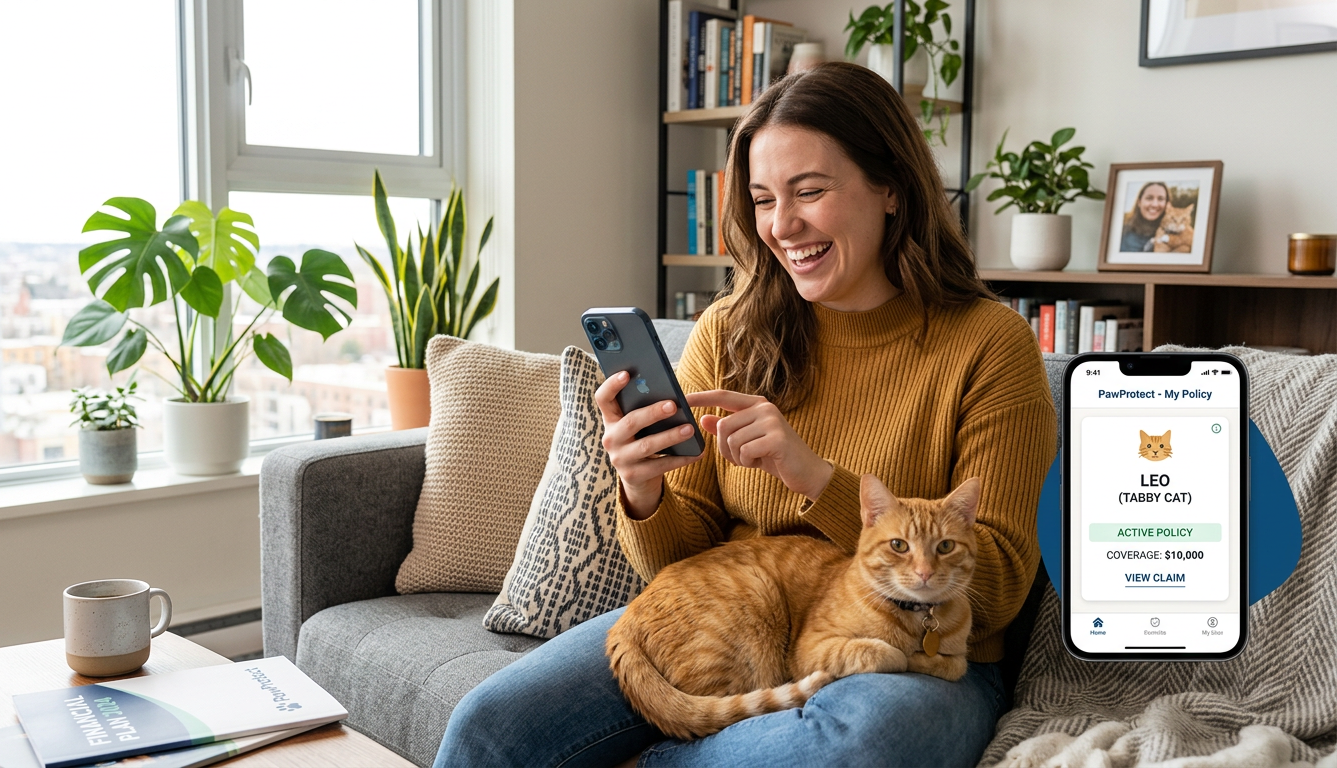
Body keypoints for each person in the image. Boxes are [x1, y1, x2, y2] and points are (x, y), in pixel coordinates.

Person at [434, 62, 1057, 768]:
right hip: (738, 617)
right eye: (762, 199)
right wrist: (641, 491)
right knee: (491, 724)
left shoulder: (989, 343)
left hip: (921, 645)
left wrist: (814, 476)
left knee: (854, 750)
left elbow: (1001, 587)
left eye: (810, 191)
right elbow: (682, 566)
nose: (782, 225)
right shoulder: (731, 330)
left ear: (890, 188)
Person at [1120, 181, 1169, 252]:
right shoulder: (1123, 235)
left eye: (1160, 199)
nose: (1155, 204)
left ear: (1167, 204)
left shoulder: (1176, 236)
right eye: (1149, 198)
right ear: (1139, 202)